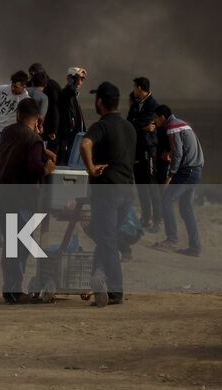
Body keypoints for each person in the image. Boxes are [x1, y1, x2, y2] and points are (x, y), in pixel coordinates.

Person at [0, 99, 56, 303]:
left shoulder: (7, 132)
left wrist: (40, 143)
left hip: (3, 196)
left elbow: (18, 151)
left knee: (11, 245)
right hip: (22, 200)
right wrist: (47, 169)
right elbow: (34, 168)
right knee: (20, 246)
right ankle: (14, 291)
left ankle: (10, 290)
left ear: (18, 114)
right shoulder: (33, 140)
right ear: (37, 118)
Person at [81, 81, 136, 307]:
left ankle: (115, 292)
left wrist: (91, 168)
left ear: (100, 102)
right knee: (107, 239)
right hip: (126, 190)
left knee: (106, 240)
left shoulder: (101, 126)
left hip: (107, 191)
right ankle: (97, 281)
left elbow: (85, 144)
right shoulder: (129, 128)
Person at [151, 106, 203, 256]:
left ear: (162, 117)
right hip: (195, 169)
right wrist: (170, 154)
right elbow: (181, 150)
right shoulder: (182, 123)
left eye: (156, 118)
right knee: (186, 208)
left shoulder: (172, 127)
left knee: (166, 200)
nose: (155, 121)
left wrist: (170, 176)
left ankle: (171, 239)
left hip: (187, 171)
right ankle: (195, 248)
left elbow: (179, 153)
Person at [127, 77, 162, 231]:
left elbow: (145, 122)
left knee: (151, 184)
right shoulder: (136, 103)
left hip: (149, 149)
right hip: (137, 148)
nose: (134, 90)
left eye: (135, 87)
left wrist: (138, 125)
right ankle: (146, 217)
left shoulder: (153, 105)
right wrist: (141, 126)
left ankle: (157, 219)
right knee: (140, 184)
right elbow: (130, 122)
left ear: (140, 88)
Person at [0, 72, 30, 153]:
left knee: (0, 158)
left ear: (24, 86)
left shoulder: (25, 99)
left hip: (6, 132)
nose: (12, 88)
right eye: (12, 85)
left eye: (16, 87)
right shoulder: (2, 88)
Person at [58, 67, 87, 166]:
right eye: (77, 78)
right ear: (69, 78)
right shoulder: (66, 94)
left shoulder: (74, 96)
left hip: (74, 140)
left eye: (82, 79)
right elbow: (69, 90)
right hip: (66, 139)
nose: (79, 82)